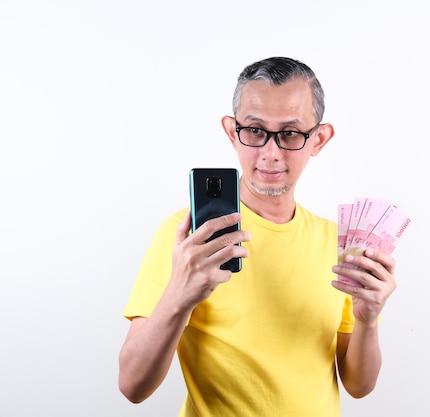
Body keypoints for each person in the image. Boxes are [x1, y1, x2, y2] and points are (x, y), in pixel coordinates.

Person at [118, 56, 398, 417]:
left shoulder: (338, 243)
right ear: (231, 131)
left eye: (290, 133)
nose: (270, 153)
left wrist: (368, 318)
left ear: (319, 139)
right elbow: (132, 386)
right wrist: (180, 295)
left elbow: (359, 385)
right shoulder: (187, 240)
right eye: (254, 130)